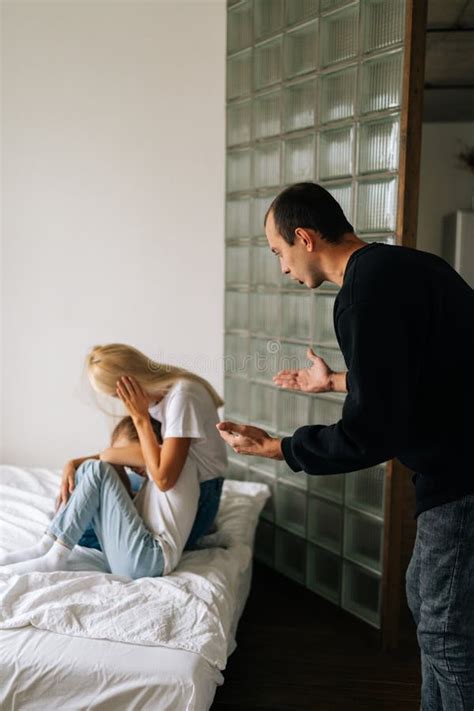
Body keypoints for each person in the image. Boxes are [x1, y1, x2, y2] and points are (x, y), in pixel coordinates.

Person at [216, 182, 474, 711]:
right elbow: (419, 376)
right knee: (427, 603)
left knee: (447, 633)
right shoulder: (407, 267)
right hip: (457, 466)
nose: (282, 269)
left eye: (279, 253)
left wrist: (279, 449)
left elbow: (372, 433)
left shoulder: (361, 296)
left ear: (305, 238)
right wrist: (334, 382)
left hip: (462, 476)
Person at [1, 343, 227, 578]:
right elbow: (151, 461)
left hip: (197, 499)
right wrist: (76, 464)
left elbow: (164, 476)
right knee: (91, 482)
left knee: (97, 473)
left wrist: (137, 421)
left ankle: (54, 553)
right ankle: (49, 544)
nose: (122, 403)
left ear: (127, 386)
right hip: (160, 517)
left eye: (115, 396)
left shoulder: (182, 397)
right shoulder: (164, 414)